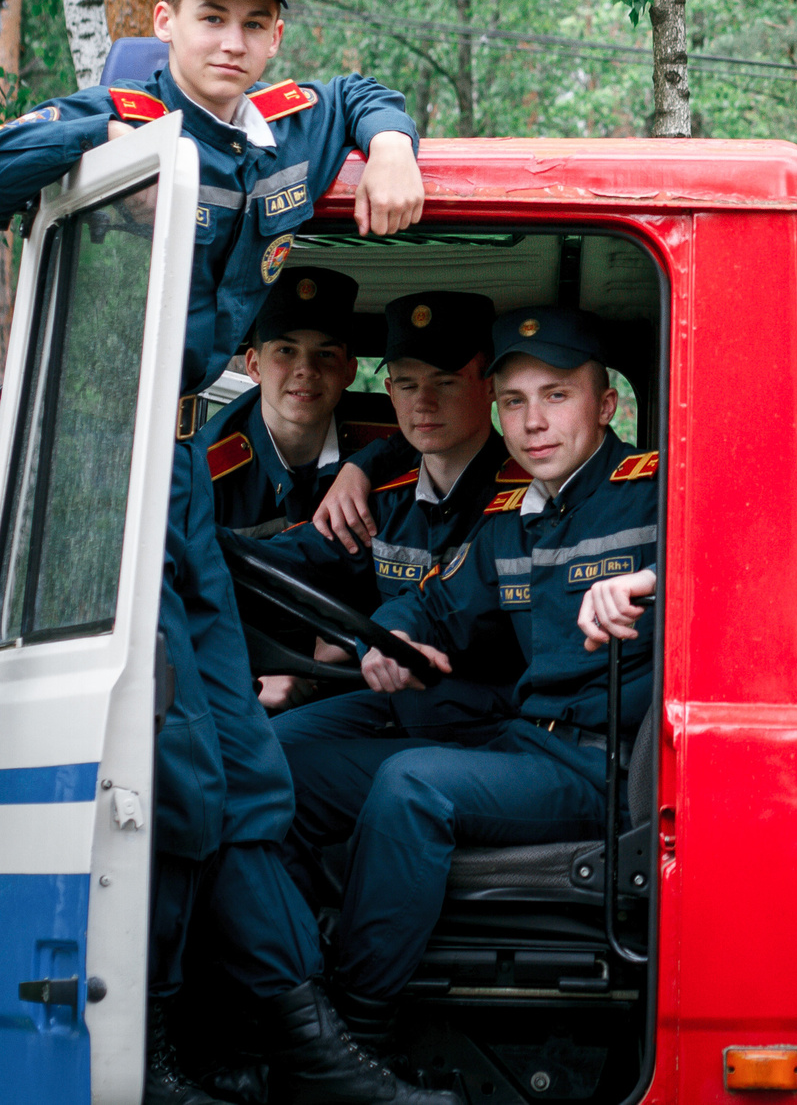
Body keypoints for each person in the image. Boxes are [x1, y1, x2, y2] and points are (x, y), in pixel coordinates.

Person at [0, 0, 445, 1105]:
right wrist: (87, 127)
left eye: (257, 22)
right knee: (164, 769)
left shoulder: (288, 126)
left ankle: (303, 1048)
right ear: (165, 22)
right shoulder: (128, 130)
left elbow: (361, 89)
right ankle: (142, 1054)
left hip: (177, 486)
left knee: (248, 769)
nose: (236, 42)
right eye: (212, 16)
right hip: (99, 477)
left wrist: (394, 145)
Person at [293, 306, 659, 1045]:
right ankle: (289, 995)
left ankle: (353, 1034)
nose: (533, 422)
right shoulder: (508, 516)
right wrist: (395, 631)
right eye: (515, 402)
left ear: (606, 404)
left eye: (556, 395)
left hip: (601, 766)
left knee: (413, 785)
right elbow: (436, 602)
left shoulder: (654, 490)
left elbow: (748, 557)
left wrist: (649, 578)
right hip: (525, 745)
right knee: (288, 772)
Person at [264, 289, 527, 751]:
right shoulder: (382, 500)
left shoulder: (530, 497)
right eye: (407, 385)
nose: (422, 402)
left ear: (489, 385)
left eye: (445, 382)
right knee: (271, 749)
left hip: (496, 719)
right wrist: (190, 548)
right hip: (399, 703)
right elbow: (292, 559)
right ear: (389, 392)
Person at [196, 267, 397, 710]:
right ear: (253, 365)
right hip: (239, 683)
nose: (305, 370)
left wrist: (363, 465)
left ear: (349, 370)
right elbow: (188, 598)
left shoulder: (387, 445)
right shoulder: (206, 469)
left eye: (325, 354)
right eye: (286, 350)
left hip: (367, 674)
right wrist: (251, 679)